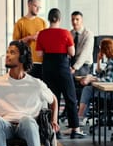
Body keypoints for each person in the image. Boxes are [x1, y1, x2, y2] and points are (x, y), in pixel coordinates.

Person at [36, 8, 85, 139]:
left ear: (49, 18)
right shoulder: (65, 33)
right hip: (63, 68)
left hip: (47, 68)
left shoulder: (42, 34)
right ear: (59, 19)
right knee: (70, 97)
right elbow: (72, 53)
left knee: (52, 98)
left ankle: (54, 129)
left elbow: (39, 54)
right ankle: (75, 128)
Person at [77, 38, 113, 120]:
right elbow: (101, 74)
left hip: (112, 93)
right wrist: (98, 61)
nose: (99, 49)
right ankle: (80, 117)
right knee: (88, 89)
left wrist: (90, 79)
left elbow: (107, 80)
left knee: (87, 90)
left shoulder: (111, 62)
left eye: (100, 47)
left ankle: (80, 118)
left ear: (105, 49)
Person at [12, 0, 47, 79]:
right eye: (35, 6)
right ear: (29, 5)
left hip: (41, 61)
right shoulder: (20, 23)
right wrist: (30, 38)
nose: (38, 9)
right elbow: (15, 44)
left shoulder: (42, 22)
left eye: (39, 7)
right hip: (26, 61)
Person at [69, 11, 94, 77]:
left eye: (77, 19)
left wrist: (74, 68)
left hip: (84, 65)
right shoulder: (70, 33)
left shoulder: (88, 34)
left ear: (82, 20)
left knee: (69, 75)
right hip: (71, 63)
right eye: (72, 19)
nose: (74, 22)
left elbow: (84, 54)